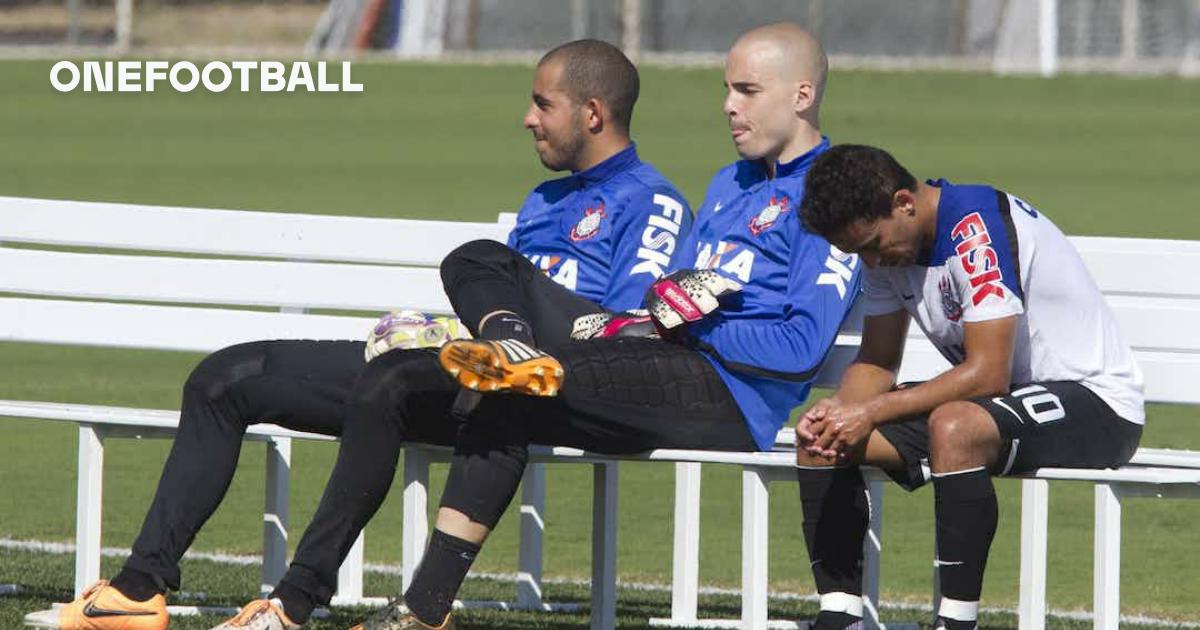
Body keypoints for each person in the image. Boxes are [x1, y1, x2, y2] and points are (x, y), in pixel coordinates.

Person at [41, 39, 691, 630]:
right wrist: (443, 331)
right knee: (226, 377)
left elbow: (627, 333)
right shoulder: (547, 199)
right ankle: (136, 591)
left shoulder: (651, 201)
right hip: (457, 374)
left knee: (390, 379)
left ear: (593, 113)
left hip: (540, 397)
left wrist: (489, 346)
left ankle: (295, 601)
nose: (527, 118)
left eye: (542, 104)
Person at [345, 22, 861, 630]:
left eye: (747, 90)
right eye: (727, 88)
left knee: (516, 381)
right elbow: (673, 300)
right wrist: (658, 314)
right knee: (497, 342)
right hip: (657, 364)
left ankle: (495, 361)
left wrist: (691, 326)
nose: (728, 105)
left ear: (801, 96)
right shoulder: (730, 183)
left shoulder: (839, 193)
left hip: (732, 399)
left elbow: (799, 350)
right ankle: (425, 609)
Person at [793, 144, 1144, 630]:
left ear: (904, 203)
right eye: (857, 254)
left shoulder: (974, 226)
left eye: (873, 245)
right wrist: (838, 413)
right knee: (820, 440)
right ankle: (839, 616)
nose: (870, 264)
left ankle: (956, 623)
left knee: (955, 426)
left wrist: (870, 412)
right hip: (1000, 404)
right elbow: (876, 361)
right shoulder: (888, 253)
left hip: (1097, 403)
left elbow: (988, 373)